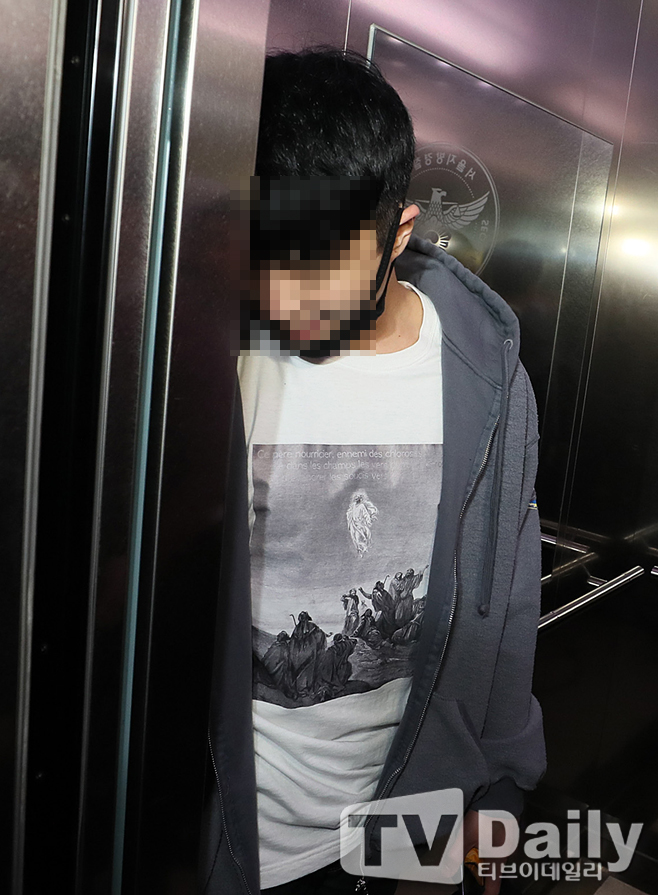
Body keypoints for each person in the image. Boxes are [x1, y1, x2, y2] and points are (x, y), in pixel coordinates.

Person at [200, 48, 546, 895]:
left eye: (319, 265)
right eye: (269, 255)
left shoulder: (483, 375)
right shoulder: (208, 354)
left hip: (406, 822)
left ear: (399, 232)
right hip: (240, 840)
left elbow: (507, 601)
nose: (284, 300)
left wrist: (501, 784)